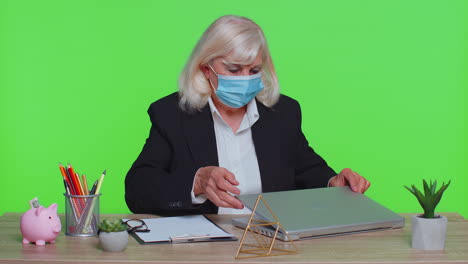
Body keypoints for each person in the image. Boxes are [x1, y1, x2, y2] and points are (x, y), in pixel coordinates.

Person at [125, 15, 370, 216]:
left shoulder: (283, 113)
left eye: (254, 70)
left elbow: (306, 169)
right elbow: (138, 188)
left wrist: (333, 183)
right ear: (205, 69)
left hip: (272, 243)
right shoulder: (172, 114)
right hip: (203, 249)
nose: (245, 79)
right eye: (233, 69)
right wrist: (196, 183)